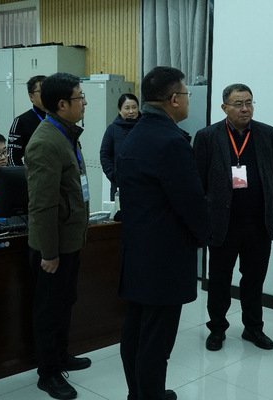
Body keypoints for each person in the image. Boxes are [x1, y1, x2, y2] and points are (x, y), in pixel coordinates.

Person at [115, 66, 210, 400]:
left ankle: (138, 393)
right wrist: (205, 235)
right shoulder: (171, 142)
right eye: (186, 94)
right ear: (174, 99)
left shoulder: (135, 134)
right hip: (164, 257)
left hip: (137, 251)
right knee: (156, 341)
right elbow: (191, 203)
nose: (188, 100)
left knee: (137, 331)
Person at [193, 83, 273, 352]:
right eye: (238, 104)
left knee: (254, 280)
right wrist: (203, 221)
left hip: (258, 224)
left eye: (249, 103)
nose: (245, 109)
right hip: (223, 224)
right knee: (219, 280)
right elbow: (198, 182)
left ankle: (253, 328)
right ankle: (217, 328)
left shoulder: (267, 134)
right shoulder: (208, 136)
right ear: (224, 107)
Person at [24, 72, 90, 400]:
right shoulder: (45, 142)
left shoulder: (66, 133)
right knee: (49, 311)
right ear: (62, 104)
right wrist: (49, 253)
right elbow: (42, 205)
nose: (85, 102)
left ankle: (61, 356)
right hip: (52, 249)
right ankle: (48, 373)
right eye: (80, 97)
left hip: (69, 241)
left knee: (65, 302)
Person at [100, 93, 141, 200]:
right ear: (119, 110)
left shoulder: (144, 127)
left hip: (143, 184)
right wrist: (113, 175)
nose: (131, 111)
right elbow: (105, 154)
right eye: (127, 108)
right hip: (120, 184)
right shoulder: (113, 129)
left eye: (134, 107)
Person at [7, 75, 47, 166]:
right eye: (42, 91)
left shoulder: (60, 118)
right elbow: (13, 157)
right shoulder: (21, 121)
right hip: (36, 173)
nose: (47, 94)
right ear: (31, 96)